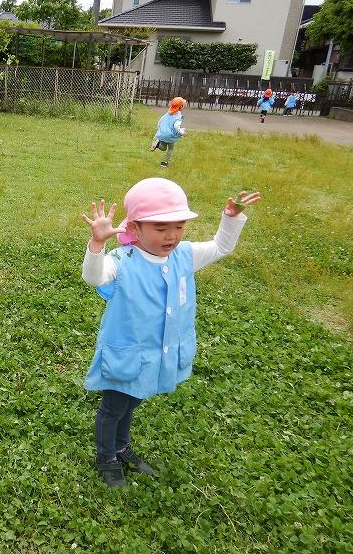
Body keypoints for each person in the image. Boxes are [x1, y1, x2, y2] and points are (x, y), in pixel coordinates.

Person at [80, 178, 260, 488]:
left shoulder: (184, 256)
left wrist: (230, 217)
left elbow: (221, 246)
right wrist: (97, 246)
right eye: (161, 228)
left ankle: (121, 447)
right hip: (127, 352)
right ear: (135, 228)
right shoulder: (122, 263)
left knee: (133, 400)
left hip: (154, 354)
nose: (172, 235)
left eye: (179, 226)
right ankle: (106, 457)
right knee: (113, 407)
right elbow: (93, 277)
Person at [149, 97, 186, 168]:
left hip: (162, 133)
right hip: (170, 135)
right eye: (183, 105)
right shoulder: (179, 116)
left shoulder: (168, 113)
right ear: (181, 107)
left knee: (163, 148)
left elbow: (160, 121)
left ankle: (157, 144)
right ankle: (164, 163)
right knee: (170, 148)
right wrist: (182, 133)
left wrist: (160, 129)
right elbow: (176, 126)